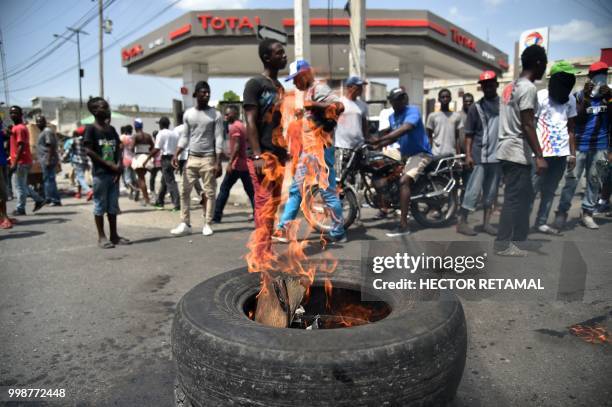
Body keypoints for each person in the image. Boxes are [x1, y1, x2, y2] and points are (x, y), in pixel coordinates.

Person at [273, 59, 346, 243]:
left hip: (320, 150)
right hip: (310, 151)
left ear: (304, 74)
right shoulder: (310, 91)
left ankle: (338, 232)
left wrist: (314, 105)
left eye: (296, 79)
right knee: (296, 190)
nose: (295, 84)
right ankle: (284, 228)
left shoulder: (319, 89)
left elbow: (339, 106)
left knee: (327, 192)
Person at [495, 44, 548, 256]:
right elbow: (527, 123)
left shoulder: (510, 86)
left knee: (524, 196)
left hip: (506, 149)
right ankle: (502, 244)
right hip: (516, 150)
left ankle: (518, 238)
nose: (544, 68)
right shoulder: (528, 88)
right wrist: (540, 156)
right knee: (514, 198)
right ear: (537, 63)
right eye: (544, 64)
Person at [243, 38, 288, 264]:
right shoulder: (255, 84)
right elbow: (250, 122)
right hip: (263, 156)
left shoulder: (280, 87)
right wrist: (258, 155)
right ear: (267, 57)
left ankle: (267, 250)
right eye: (279, 53)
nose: (284, 56)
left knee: (273, 206)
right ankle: (260, 256)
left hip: (278, 156)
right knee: (263, 206)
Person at [554, 61, 610, 230]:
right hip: (579, 145)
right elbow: (575, 119)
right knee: (571, 180)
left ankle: (587, 213)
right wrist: (586, 98)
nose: (601, 77)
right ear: (590, 77)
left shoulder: (609, 96)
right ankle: (562, 213)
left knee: (594, 181)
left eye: (604, 73)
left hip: (600, 146)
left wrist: (609, 98)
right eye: (598, 74)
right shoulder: (578, 95)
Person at [370, 87, 432, 237]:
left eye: (403, 97)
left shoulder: (413, 111)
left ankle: (404, 225)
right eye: (397, 99)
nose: (402, 100)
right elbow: (394, 137)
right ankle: (386, 201)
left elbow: (406, 128)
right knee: (376, 163)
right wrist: (376, 145)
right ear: (391, 101)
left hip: (420, 153)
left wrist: (381, 139)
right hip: (404, 153)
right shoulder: (392, 117)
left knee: (404, 181)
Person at [531, 61, 578, 234]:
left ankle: (541, 222)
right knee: (532, 189)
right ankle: (520, 225)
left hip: (561, 154)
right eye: (563, 78)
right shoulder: (540, 96)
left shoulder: (571, 99)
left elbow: (571, 128)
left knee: (550, 190)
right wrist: (537, 155)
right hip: (542, 153)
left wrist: (572, 154)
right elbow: (531, 125)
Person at [171, 81, 223, 236]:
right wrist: (176, 153)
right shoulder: (189, 114)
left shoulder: (216, 115)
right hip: (191, 157)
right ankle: (185, 223)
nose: (206, 95)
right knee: (184, 191)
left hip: (208, 158)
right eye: (203, 92)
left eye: (208, 92)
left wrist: (218, 162)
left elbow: (219, 138)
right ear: (195, 94)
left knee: (210, 192)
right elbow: (185, 137)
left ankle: (207, 223)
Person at [456, 71, 502, 236]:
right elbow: (469, 134)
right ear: (481, 87)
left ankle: (487, 224)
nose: (488, 87)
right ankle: (462, 222)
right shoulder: (475, 108)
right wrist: (468, 155)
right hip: (479, 156)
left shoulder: (504, 105)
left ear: (496, 84)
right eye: (485, 85)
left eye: (491, 84)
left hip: (497, 157)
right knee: (472, 192)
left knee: (490, 193)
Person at [82, 97, 130, 249]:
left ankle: (114, 235)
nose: (108, 109)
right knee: (100, 205)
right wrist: (108, 164)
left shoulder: (111, 130)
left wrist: (119, 166)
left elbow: (119, 148)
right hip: (100, 174)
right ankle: (101, 237)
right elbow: (89, 150)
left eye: (107, 106)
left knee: (112, 206)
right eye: (104, 107)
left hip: (114, 175)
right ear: (95, 111)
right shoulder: (91, 128)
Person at [212, 105, 255, 223]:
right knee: (251, 191)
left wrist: (230, 162)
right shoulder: (241, 126)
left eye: (227, 114)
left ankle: (216, 216)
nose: (225, 116)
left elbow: (236, 146)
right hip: (243, 165)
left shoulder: (234, 127)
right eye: (225, 114)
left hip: (236, 165)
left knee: (224, 189)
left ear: (234, 114)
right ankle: (258, 214)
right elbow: (240, 146)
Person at [9, 106, 46, 216]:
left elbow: (21, 146)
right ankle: (38, 199)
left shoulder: (19, 128)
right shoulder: (18, 127)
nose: (12, 115)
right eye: (11, 113)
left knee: (18, 186)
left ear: (21, 114)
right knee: (22, 185)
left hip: (21, 161)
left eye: (15, 113)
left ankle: (20, 208)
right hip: (23, 160)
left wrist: (14, 163)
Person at [335, 76, 369, 174]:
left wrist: (368, 141)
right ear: (349, 87)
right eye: (358, 86)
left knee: (358, 177)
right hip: (342, 147)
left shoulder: (363, 105)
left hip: (359, 147)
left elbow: (365, 125)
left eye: (362, 87)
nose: (361, 89)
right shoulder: (339, 103)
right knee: (341, 177)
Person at [144, 116, 180, 211]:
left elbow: (157, 148)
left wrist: (147, 158)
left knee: (170, 182)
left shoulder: (161, 133)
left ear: (161, 124)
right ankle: (160, 202)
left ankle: (177, 204)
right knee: (165, 181)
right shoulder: (174, 134)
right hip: (173, 158)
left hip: (166, 159)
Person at [426, 89, 462, 156]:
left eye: (447, 97)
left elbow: (457, 137)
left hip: (451, 154)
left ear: (450, 98)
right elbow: (429, 136)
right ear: (439, 99)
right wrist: (428, 153)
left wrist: (458, 154)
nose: (445, 99)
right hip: (436, 154)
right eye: (443, 97)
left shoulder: (456, 116)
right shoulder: (432, 116)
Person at [35, 115, 61, 206]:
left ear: (45, 122)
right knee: (47, 179)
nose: (38, 123)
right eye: (37, 122)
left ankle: (55, 200)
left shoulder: (47, 131)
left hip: (48, 159)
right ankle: (50, 198)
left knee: (50, 180)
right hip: (44, 159)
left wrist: (48, 159)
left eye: (40, 121)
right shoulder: (42, 132)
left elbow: (50, 145)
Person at [130, 118, 155, 206]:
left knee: (141, 179)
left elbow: (131, 148)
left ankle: (146, 199)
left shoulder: (135, 136)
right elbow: (153, 146)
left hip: (139, 157)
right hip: (147, 157)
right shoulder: (148, 136)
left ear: (135, 126)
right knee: (142, 178)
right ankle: (143, 196)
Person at [68, 126, 93, 201]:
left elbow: (68, 150)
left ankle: (89, 191)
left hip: (77, 161)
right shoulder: (87, 140)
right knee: (80, 176)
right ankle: (78, 193)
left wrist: (63, 158)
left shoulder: (74, 140)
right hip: (86, 160)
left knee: (80, 177)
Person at [119, 124, 138, 200]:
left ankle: (135, 189)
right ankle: (132, 193)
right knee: (133, 177)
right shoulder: (134, 138)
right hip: (133, 159)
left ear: (125, 131)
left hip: (126, 159)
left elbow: (120, 147)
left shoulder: (123, 137)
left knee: (127, 178)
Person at [0, 119, 10, 228]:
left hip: (3, 163)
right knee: (1, 193)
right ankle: (4, 217)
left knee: (4, 191)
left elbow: (8, 134)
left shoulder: (1, 132)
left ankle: (4, 216)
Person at [149, 129, 162, 198]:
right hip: (161, 162)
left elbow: (150, 152)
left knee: (152, 178)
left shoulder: (153, 143)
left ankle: (152, 190)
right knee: (165, 178)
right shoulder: (161, 142)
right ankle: (165, 190)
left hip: (155, 162)